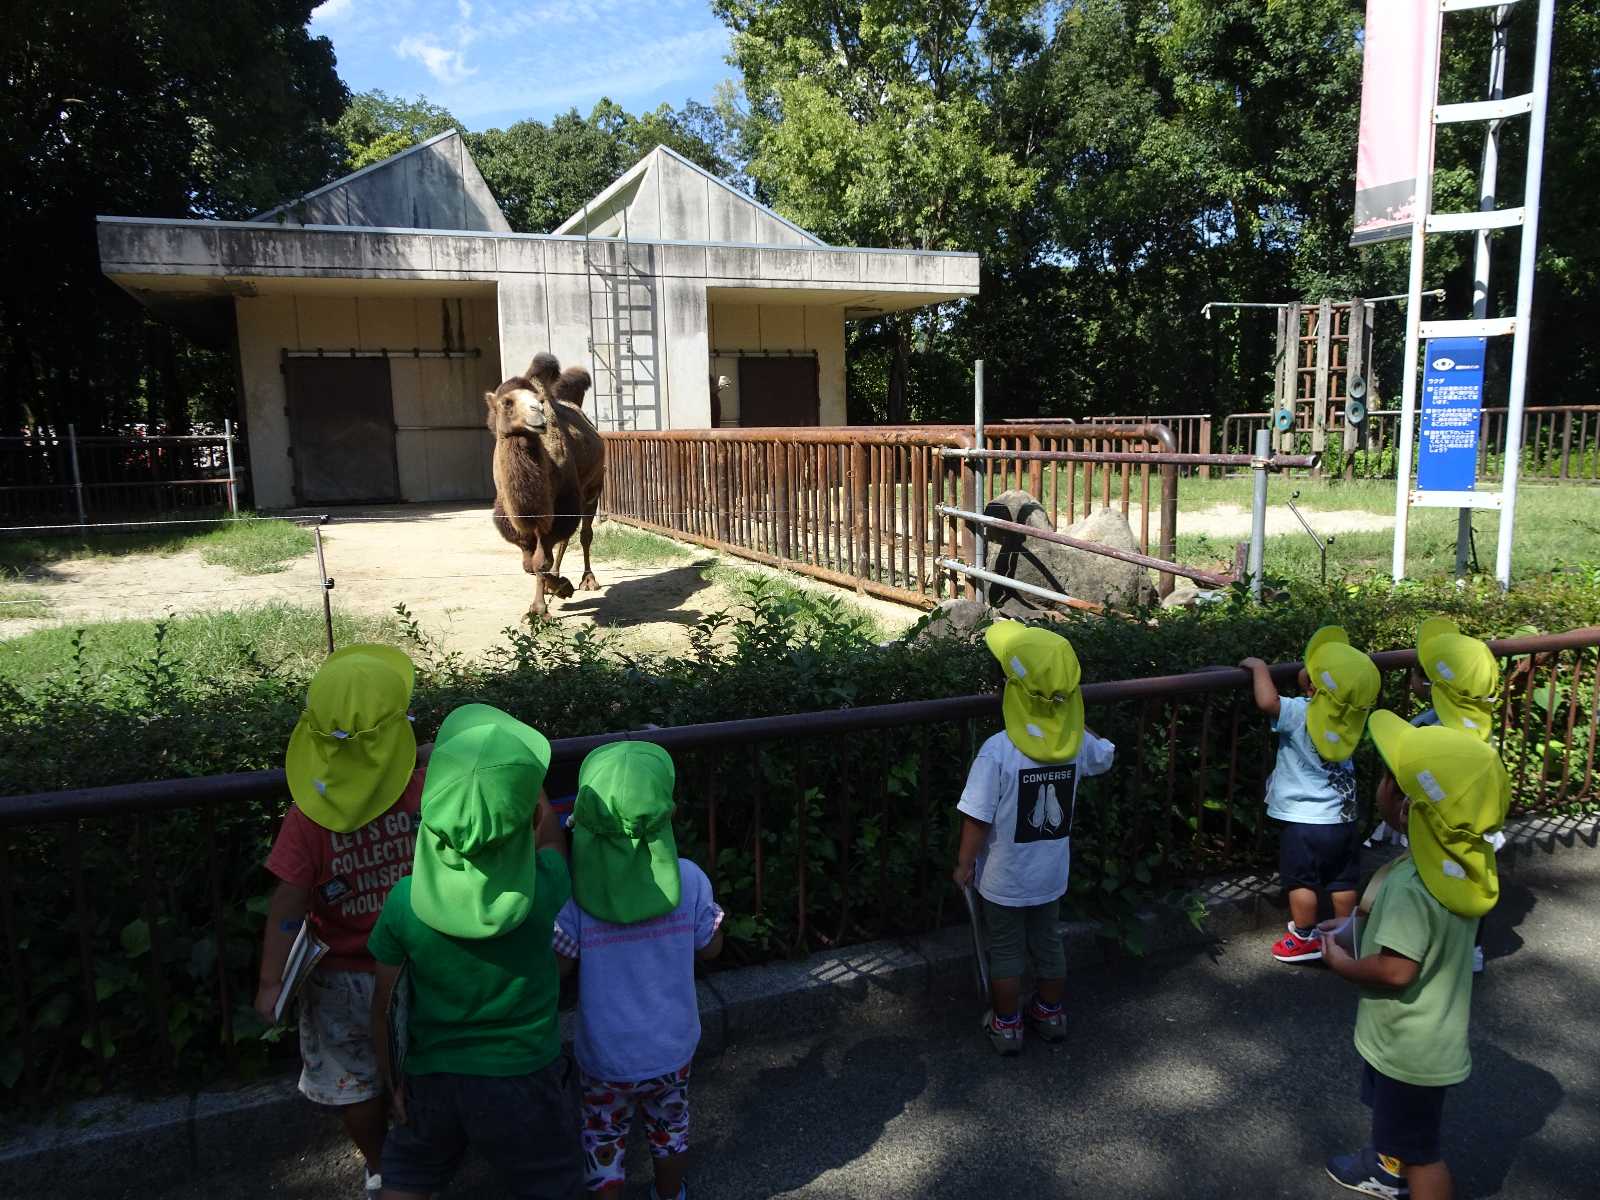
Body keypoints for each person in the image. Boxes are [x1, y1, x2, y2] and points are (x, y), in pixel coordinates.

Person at [368, 704, 582, 1200]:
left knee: (410, 1174)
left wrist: (391, 1079)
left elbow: (384, 1007)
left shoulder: (404, 903)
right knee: (550, 1180)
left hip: (431, 1078)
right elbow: (550, 840)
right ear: (529, 812)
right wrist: (523, 787)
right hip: (524, 1075)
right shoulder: (542, 889)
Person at [254, 645, 422, 1198]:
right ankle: (426, 1155)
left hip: (337, 978)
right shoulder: (421, 788)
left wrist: (271, 982)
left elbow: (288, 905)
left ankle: (378, 1165)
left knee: (353, 1082)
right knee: (421, 1061)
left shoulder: (307, 815)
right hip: (415, 968)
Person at [1323, 712, 1509, 1200]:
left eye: (1389, 780)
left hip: (1408, 1047)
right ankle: (1385, 1167)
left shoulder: (1413, 884)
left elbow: (1397, 968)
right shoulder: (1461, 868)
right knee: (1398, 1129)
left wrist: (1342, 964)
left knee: (1423, 1152)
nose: (1381, 785)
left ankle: (1402, 1174)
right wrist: (1348, 928)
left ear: (1407, 809)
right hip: (1427, 1037)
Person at [553, 741, 724, 1200]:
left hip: (606, 1054)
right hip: (672, 1048)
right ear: (666, 813)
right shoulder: (688, 878)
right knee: (671, 1127)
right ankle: (671, 1196)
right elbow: (709, 948)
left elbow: (561, 966)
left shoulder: (576, 893)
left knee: (602, 1136)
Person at [953, 621, 1115, 1055]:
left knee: (1005, 951)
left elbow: (976, 817)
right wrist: (1072, 720)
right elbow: (1107, 754)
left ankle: (1007, 1025)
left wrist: (964, 864)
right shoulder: (1076, 744)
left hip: (1003, 879)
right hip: (1049, 874)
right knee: (1048, 943)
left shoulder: (998, 750)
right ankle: (1050, 1012)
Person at [1240, 626, 1380, 964]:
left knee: (1300, 880)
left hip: (1303, 822)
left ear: (1313, 686)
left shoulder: (1300, 711)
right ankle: (1345, 937)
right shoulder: (1351, 717)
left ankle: (1304, 937)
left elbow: (1267, 701)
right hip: (1343, 819)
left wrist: (1259, 667)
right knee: (1342, 880)